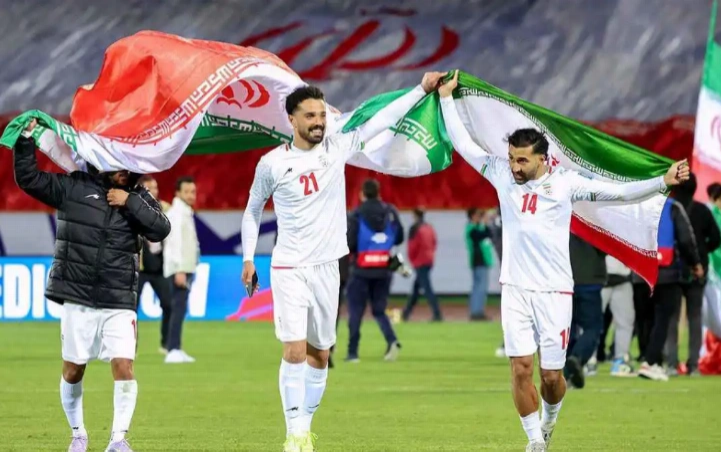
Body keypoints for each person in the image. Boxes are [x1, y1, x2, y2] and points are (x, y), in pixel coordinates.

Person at [439, 70, 689, 451]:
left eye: (522, 160)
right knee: (520, 368)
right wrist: (445, 99)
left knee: (551, 377)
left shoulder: (565, 184)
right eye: (512, 158)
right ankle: (534, 441)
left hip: (555, 292)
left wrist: (661, 182)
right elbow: (464, 144)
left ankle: (549, 420)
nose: (515, 166)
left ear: (542, 159)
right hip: (515, 288)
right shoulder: (501, 174)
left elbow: (619, 194)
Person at [240, 72, 445, 452]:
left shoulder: (338, 147)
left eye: (322, 115)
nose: (318, 122)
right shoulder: (271, 163)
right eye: (310, 116)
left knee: (321, 354)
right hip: (289, 266)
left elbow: (382, 119)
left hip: (327, 267)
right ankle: (294, 434)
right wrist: (249, 258)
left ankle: (305, 426)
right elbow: (252, 211)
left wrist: (421, 90)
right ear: (292, 120)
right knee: (294, 350)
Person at [12, 120, 170, 452]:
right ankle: (78, 434)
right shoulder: (74, 187)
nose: (125, 170)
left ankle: (118, 440)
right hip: (78, 296)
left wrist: (129, 201)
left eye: (129, 163)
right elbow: (29, 179)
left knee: (124, 366)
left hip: (118, 298)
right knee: (73, 370)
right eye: (118, 162)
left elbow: (160, 229)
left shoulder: (138, 196)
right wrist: (25, 141)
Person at [632, 197, 702, 380]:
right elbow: (686, 239)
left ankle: (649, 359)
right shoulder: (673, 207)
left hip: (639, 273)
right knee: (663, 318)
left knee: (645, 319)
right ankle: (651, 362)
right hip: (666, 273)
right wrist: (695, 263)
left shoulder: (636, 205)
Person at [664, 174, 720, 376]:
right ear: (696, 188)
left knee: (672, 317)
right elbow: (716, 238)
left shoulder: (667, 208)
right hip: (698, 270)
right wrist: (702, 252)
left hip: (672, 269)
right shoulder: (702, 210)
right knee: (695, 317)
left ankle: (671, 363)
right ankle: (694, 364)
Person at [346, 179, 404, 362]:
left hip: (361, 270)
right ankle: (392, 340)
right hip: (384, 269)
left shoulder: (356, 214)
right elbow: (399, 237)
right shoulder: (390, 211)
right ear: (379, 193)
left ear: (362, 194)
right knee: (379, 310)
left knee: (356, 312)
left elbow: (350, 243)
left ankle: (353, 353)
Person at [163, 176, 200, 364]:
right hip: (180, 269)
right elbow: (175, 242)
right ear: (178, 193)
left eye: (193, 191)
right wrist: (179, 269)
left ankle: (176, 347)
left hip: (185, 267)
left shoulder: (185, 212)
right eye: (187, 191)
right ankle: (172, 349)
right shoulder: (177, 213)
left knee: (180, 308)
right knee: (177, 308)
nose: (191, 195)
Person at [564, 235, 607, 389]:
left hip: (565, 280)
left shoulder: (560, 220)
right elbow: (605, 245)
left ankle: (565, 374)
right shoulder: (595, 221)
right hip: (590, 280)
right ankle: (577, 358)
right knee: (593, 328)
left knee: (567, 329)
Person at [136, 175, 173, 354]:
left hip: (159, 267)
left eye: (155, 188)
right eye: (149, 189)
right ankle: (130, 346)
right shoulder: (133, 209)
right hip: (139, 268)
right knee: (130, 309)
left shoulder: (166, 209)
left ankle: (166, 344)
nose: (154, 192)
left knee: (169, 304)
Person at [402, 208, 442, 322]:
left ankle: (437, 313)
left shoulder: (415, 229)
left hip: (419, 261)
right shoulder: (429, 228)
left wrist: (412, 259)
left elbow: (412, 246)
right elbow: (434, 243)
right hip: (428, 259)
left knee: (427, 288)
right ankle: (406, 313)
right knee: (416, 288)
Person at [465, 208, 492, 320]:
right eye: (477, 215)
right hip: (479, 261)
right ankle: (477, 312)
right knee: (480, 288)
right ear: (472, 216)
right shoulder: (472, 229)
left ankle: (477, 310)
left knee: (478, 287)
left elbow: (488, 233)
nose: (479, 218)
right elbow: (484, 234)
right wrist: (485, 223)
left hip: (480, 261)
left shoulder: (474, 228)